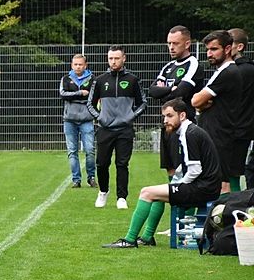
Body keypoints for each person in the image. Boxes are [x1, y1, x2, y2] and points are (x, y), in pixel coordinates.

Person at [103, 99, 222, 248]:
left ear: (182, 115)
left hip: (204, 188)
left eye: (170, 116)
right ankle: (147, 237)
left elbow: (195, 170)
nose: (165, 120)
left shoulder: (190, 134)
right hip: (206, 186)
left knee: (146, 192)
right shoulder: (189, 131)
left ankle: (129, 240)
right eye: (164, 116)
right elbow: (189, 165)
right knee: (157, 194)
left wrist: (179, 185)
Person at [87, 45, 147, 209]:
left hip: (124, 130)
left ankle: (121, 197)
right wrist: (100, 117)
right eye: (110, 58)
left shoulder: (133, 80)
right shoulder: (100, 80)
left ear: (124, 58)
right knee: (102, 163)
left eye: (116, 58)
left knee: (122, 164)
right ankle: (103, 192)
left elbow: (142, 103)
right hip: (105, 129)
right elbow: (90, 104)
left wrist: (130, 117)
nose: (113, 61)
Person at [192, 30, 247, 195]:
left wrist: (201, 103)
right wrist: (202, 104)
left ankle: (225, 212)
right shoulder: (222, 71)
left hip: (219, 135)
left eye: (214, 49)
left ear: (228, 49)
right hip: (215, 133)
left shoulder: (227, 72)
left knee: (221, 184)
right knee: (211, 181)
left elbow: (195, 101)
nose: (209, 54)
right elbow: (200, 103)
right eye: (207, 49)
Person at [147, 26, 204, 176]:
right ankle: (173, 191)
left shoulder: (193, 64)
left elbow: (181, 93)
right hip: (167, 123)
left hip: (184, 124)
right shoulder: (168, 67)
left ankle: (183, 191)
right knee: (170, 167)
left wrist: (165, 91)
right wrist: (171, 89)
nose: (171, 47)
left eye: (175, 43)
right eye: (169, 43)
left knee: (183, 167)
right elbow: (152, 91)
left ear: (187, 44)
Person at [59, 54, 97, 188]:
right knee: (72, 151)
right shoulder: (66, 79)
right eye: (75, 64)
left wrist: (74, 97)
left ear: (85, 65)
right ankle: (76, 179)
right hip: (69, 120)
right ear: (72, 65)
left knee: (90, 150)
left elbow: (93, 95)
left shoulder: (92, 79)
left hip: (87, 119)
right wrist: (79, 93)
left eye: (80, 64)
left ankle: (91, 177)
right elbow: (63, 94)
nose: (78, 67)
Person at [227, 28, 254, 190]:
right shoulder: (249, 68)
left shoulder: (235, 70)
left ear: (240, 46)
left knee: (230, 174)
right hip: (244, 128)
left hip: (235, 129)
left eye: (228, 44)